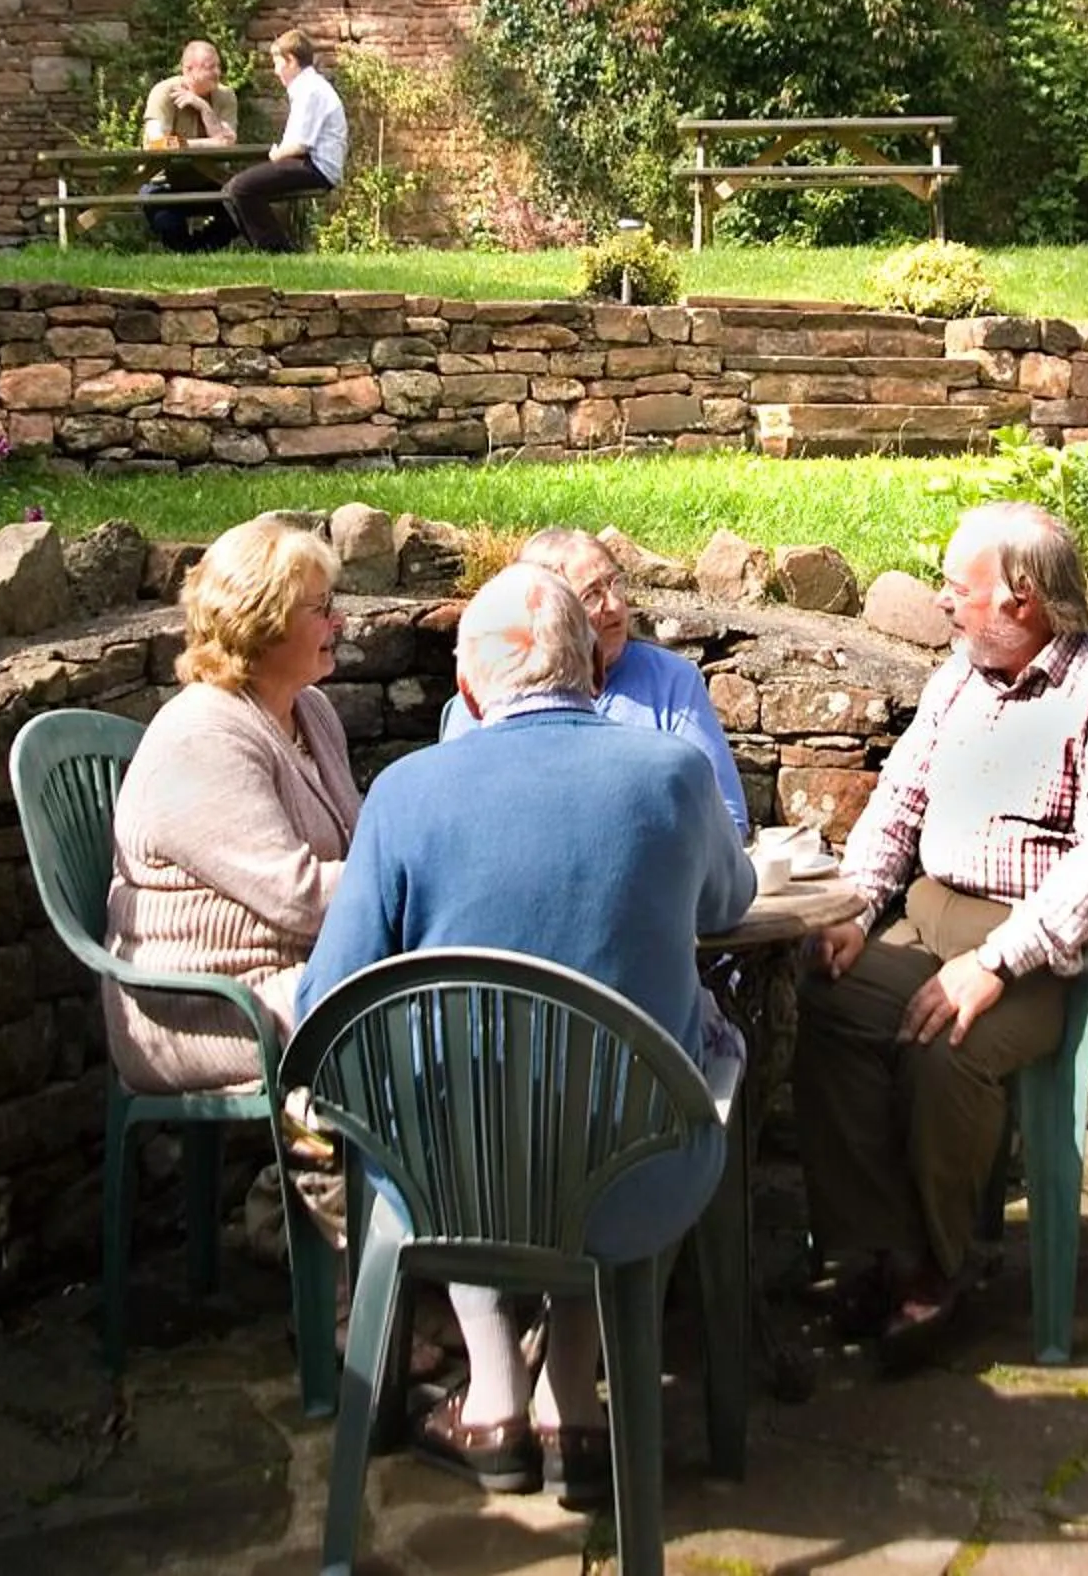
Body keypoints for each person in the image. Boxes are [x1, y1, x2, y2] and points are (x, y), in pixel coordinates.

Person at [299, 567, 752, 1503]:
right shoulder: (672, 775)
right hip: (638, 1170)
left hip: (445, 1184)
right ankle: (573, 1400)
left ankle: (497, 1399)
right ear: (592, 671)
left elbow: (325, 1003)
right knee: (668, 1066)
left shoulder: (406, 793)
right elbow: (731, 900)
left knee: (461, 1096)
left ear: (468, 691)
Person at [796, 502, 1088, 1372]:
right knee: (829, 995)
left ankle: (940, 1269)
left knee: (948, 1042)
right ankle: (876, 1247)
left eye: (957, 590)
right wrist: (855, 911)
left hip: (1071, 952)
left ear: (1025, 600)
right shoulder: (958, 679)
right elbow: (896, 806)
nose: (940, 603)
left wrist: (995, 962)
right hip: (939, 915)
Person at [105, 514, 358, 1094]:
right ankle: (312, 1178)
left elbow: (362, 841)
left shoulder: (311, 711)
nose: (338, 621)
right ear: (262, 624)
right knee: (419, 1015)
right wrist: (417, 886)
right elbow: (299, 898)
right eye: (319, 610)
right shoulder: (202, 737)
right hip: (207, 1007)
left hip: (296, 975)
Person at [436, 525, 750, 841]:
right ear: (548, 611)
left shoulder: (672, 680)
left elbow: (727, 818)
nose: (614, 606)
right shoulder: (487, 693)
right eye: (591, 595)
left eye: (616, 584)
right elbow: (453, 815)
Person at [220, 27, 347, 252]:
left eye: (277, 63)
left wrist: (276, 154)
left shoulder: (310, 90)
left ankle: (277, 251)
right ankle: (266, 248)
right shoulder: (308, 88)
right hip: (308, 162)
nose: (275, 71)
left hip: (316, 166)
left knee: (241, 187)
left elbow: (300, 144)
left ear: (290, 60)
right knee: (233, 189)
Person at [137, 38, 240, 254]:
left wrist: (203, 108)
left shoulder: (226, 95)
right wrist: (208, 143)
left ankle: (200, 252)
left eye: (218, 66)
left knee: (241, 207)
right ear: (188, 69)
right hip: (164, 183)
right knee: (166, 222)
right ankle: (192, 255)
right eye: (210, 67)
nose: (217, 72)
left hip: (210, 180)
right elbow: (155, 143)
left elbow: (227, 143)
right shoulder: (163, 92)